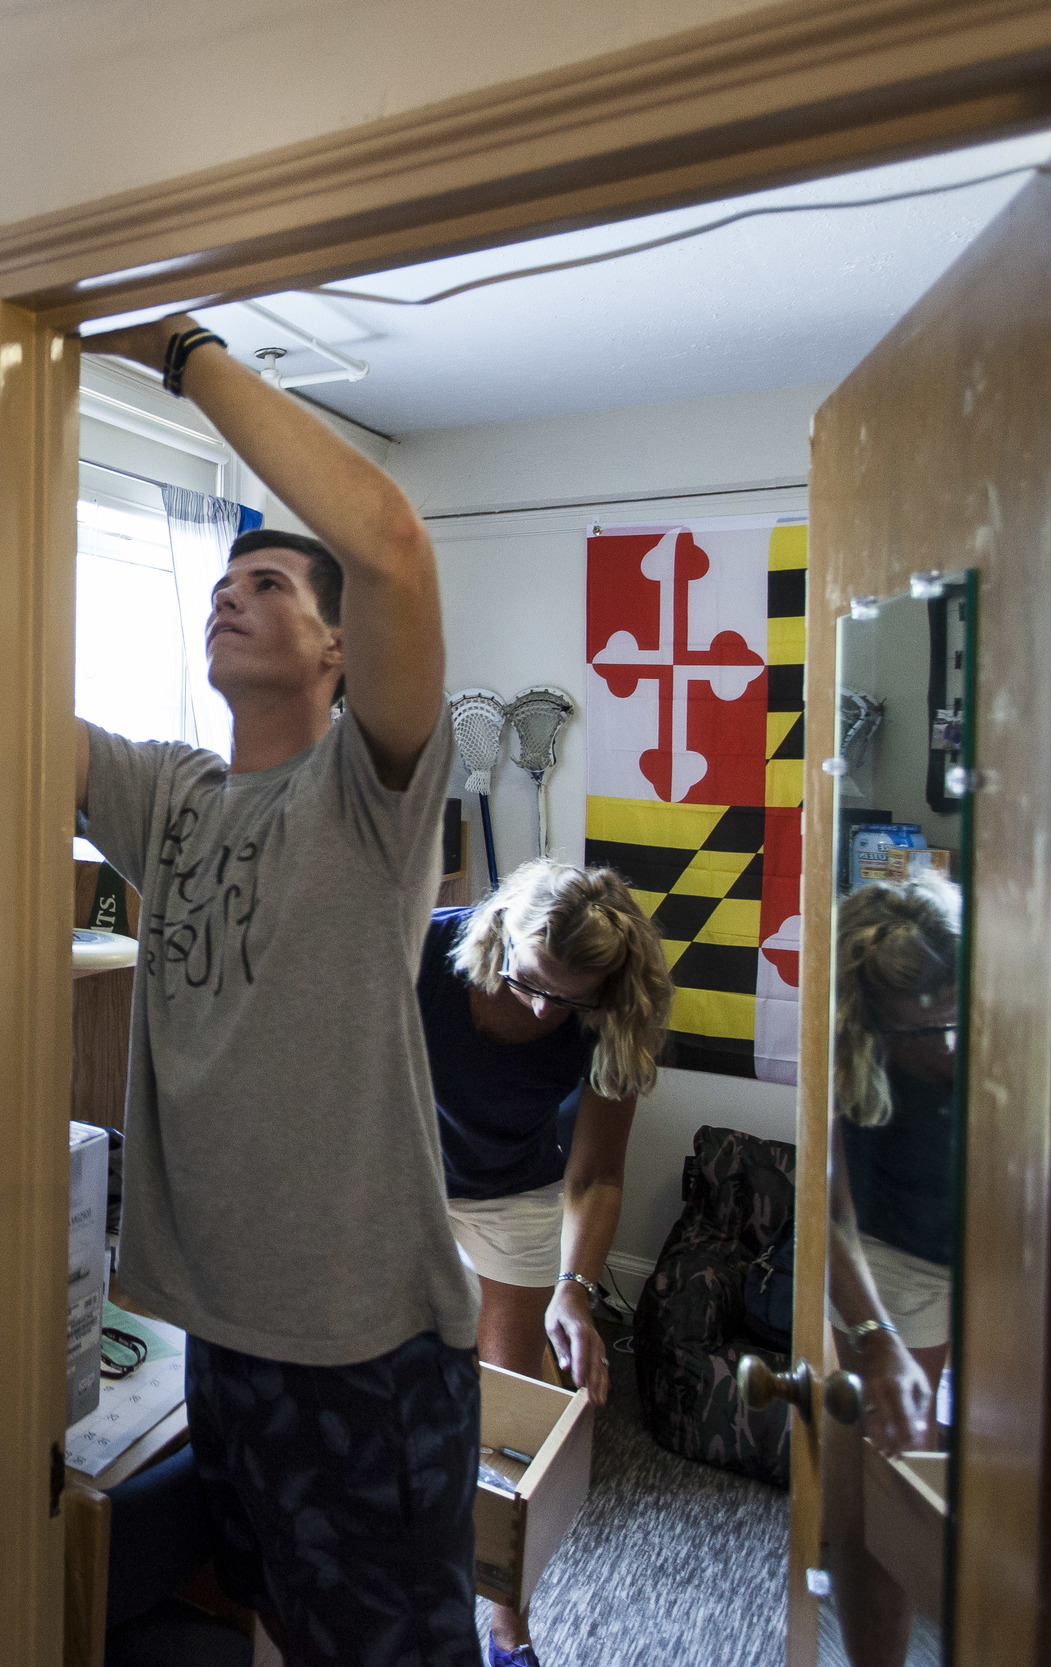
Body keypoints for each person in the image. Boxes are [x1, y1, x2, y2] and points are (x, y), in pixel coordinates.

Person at [76, 314, 478, 1664]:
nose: (226, 594)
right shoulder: (176, 793)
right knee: (272, 1626)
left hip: (363, 1343)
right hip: (221, 1329)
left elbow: (395, 544)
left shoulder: (370, 793)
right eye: (218, 580)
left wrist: (181, 353)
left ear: (339, 650)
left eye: (270, 584)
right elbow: (4, 698)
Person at [416, 859, 671, 1667]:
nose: (538, 1005)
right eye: (528, 981)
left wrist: (576, 1289)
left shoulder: (616, 1013)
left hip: (512, 1188)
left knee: (508, 1415)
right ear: (500, 936)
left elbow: (594, 1174)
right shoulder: (424, 952)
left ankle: (506, 1626)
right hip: (403, 1171)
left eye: (565, 998)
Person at [822, 874, 959, 1667]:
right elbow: (829, 1210)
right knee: (884, 1479)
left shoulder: (1008, 991)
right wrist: (874, 1338)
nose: (941, 1046)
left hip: (1005, 1239)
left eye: (949, 1019)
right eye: (918, 1032)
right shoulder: (840, 1029)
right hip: (893, 1247)